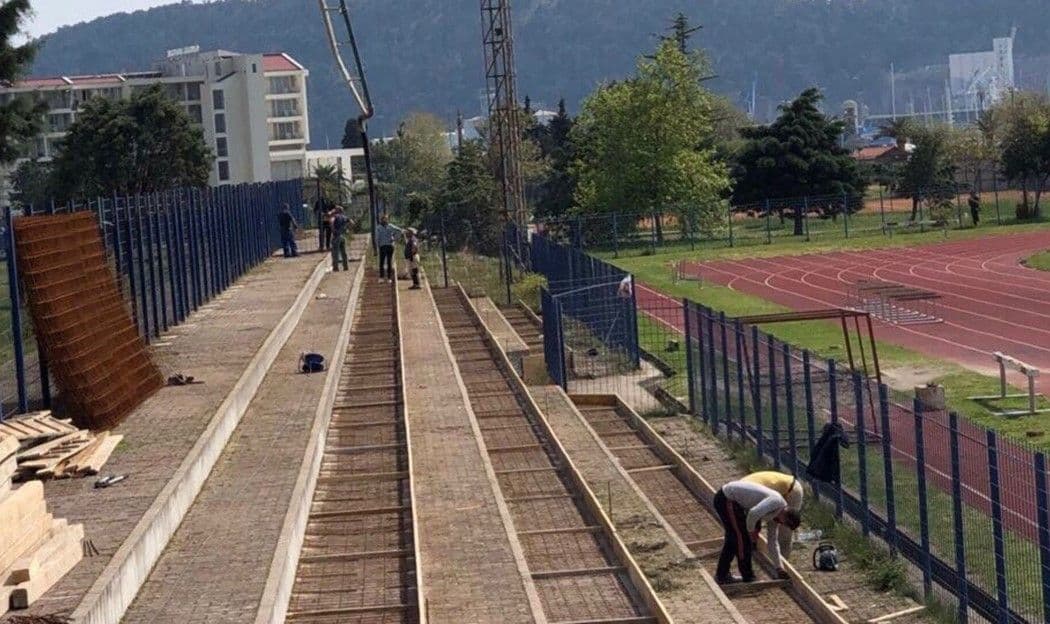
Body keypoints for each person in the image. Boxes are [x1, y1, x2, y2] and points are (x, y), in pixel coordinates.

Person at [713, 478, 802, 585]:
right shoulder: (776, 501)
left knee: (733, 539)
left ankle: (722, 575)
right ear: (786, 516)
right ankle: (748, 576)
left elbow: (772, 542)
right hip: (727, 499)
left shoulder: (776, 516)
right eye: (785, 523)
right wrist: (751, 532)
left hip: (733, 503)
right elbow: (753, 513)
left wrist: (779, 567)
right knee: (742, 539)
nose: (782, 524)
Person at [741, 471, 804, 564]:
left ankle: (784, 564)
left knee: (784, 532)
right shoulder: (742, 492)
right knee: (771, 522)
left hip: (791, 491)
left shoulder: (745, 494)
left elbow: (754, 514)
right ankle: (777, 562)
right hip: (777, 491)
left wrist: (751, 532)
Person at [375, 214, 403, 283]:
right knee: (381, 262)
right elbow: (377, 238)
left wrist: (395, 239)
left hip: (389, 246)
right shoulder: (378, 228)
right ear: (381, 220)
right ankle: (381, 277)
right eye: (384, 219)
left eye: (386, 219)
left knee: (389, 262)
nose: (385, 220)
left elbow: (399, 230)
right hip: (382, 246)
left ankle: (389, 278)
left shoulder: (390, 226)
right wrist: (377, 247)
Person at [330, 206, 352, 272]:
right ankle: (345, 267)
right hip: (343, 235)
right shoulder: (344, 217)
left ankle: (336, 268)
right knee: (344, 252)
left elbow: (331, 221)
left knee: (335, 253)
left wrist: (333, 228)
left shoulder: (335, 216)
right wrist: (347, 228)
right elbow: (352, 222)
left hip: (336, 236)